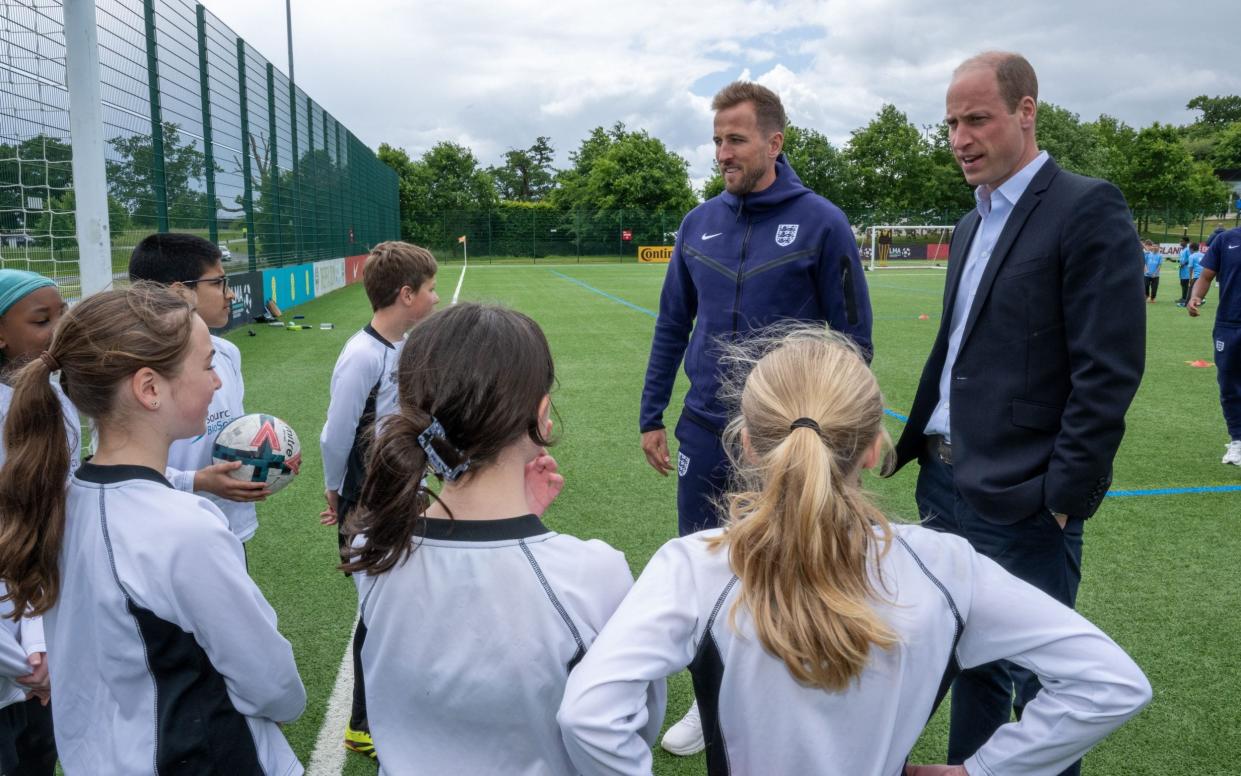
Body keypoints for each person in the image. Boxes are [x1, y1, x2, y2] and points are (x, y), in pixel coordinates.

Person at [559, 328, 1151, 776]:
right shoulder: (947, 568)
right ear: (874, 449)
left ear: (745, 444)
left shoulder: (694, 566)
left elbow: (588, 715)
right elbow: (1112, 684)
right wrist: (984, 770)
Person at [889, 51, 1145, 776]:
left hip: (1026, 497)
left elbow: (1108, 370)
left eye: (977, 120)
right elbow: (956, 351)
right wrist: (911, 443)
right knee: (968, 659)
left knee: (1041, 682)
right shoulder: (970, 225)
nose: (959, 139)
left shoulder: (1086, 205)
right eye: (950, 124)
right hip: (942, 486)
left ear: (1025, 112)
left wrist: (1062, 499)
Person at [638, 80, 872, 754]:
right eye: (716, 140)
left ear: (774, 142)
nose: (722, 153)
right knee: (708, 566)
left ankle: (792, 695)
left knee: (793, 563)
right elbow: (671, 324)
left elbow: (852, 338)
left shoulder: (822, 222)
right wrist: (652, 412)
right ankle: (709, 702)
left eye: (734, 139)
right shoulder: (697, 222)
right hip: (703, 430)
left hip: (788, 436)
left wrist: (848, 429)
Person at [342, 302, 660, 775]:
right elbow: (632, 725)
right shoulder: (593, 574)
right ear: (541, 414)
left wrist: (519, 519)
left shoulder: (374, 546)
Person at [0, 284, 305, 773]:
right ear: (149, 388)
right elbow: (272, 684)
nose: (217, 384)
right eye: (207, 366)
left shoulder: (58, 500)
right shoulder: (184, 531)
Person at [318, 240, 438, 758]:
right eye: (430, 289)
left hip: (398, 493)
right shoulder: (362, 354)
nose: (436, 298)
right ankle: (363, 723)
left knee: (405, 602)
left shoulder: (404, 348)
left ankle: (397, 707)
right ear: (406, 294)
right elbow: (334, 434)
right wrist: (335, 489)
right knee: (376, 611)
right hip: (366, 501)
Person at [128, 233, 270, 544]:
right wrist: (196, 481)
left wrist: (265, 455)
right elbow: (117, 467)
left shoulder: (228, 353)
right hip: (165, 532)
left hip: (228, 522)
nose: (229, 294)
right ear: (180, 292)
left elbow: (235, 431)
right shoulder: (132, 370)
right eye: (219, 283)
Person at [0, 270, 78, 775]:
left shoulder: (58, 401)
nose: (60, 328)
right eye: (42, 320)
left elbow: (53, 516)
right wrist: (24, 663)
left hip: (36, 642)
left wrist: (41, 646)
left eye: (63, 315)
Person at [1188, 225, 1241, 465]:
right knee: (1229, 384)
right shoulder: (1226, 239)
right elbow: (1206, 276)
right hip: (1229, 323)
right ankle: (1238, 441)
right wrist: (1195, 295)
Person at [1174, 237, 1193, 306]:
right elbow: (1181, 260)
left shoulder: (1188, 249)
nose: (1180, 242)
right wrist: (1174, 261)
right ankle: (1183, 297)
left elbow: (1190, 258)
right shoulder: (1182, 250)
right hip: (1182, 270)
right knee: (1182, 284)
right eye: (1180, 241)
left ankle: (1186, 298)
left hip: (1187, 270)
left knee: (1185, 284)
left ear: (1186, 242)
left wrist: (1184, 264)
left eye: (1182, 241)